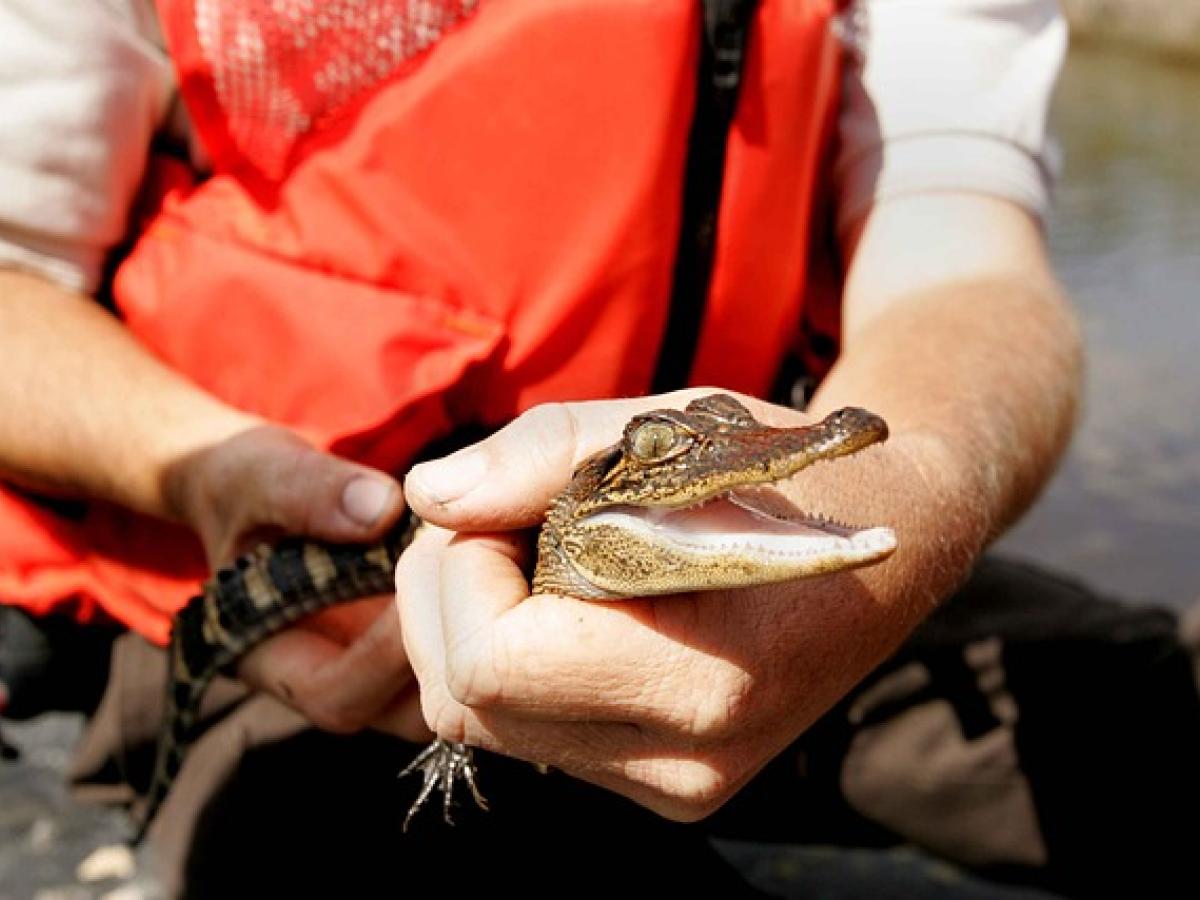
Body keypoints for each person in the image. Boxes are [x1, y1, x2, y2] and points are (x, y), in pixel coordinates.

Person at [0, 0, 1109, 895]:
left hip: (680, 542)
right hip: (291, 608)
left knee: (1148, 712)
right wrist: (204, 464)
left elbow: (969, 264)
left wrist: (920, 481)